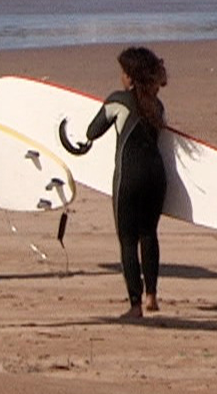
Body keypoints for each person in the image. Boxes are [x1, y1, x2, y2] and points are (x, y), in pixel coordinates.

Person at [64, 47, 169, 319]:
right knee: (149, 234)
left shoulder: (118, 101)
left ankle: (134, 305)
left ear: (131, 77)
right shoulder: (157, 106)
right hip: (157, 177)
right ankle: (152, 297)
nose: (121, 77)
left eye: (123, 72)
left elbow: (92, 131)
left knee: (127, 240)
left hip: (129, 177)